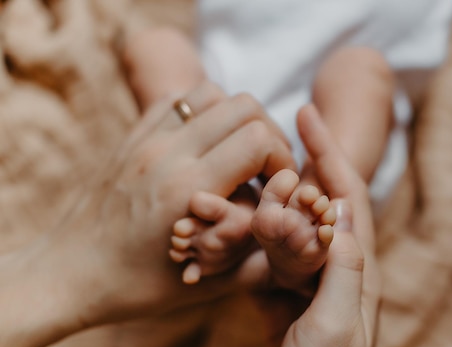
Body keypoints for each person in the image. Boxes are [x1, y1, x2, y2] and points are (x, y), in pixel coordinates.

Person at [0, 78, 380, 347]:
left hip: (227, 107)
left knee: (358, 71)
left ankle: (282, 216)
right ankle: (272, 221)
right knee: (169, 59)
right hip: (226, 102)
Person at [123, 29, 395, 289]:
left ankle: (305, 206)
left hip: (330, 113)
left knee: (361, 66)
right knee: (155, 46)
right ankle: (233, 202)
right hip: (219, 85)